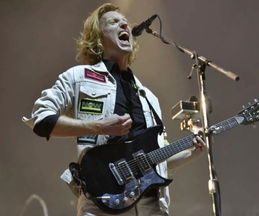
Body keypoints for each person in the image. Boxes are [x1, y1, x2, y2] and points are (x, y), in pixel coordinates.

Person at [22, 3, 206, 216]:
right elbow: (41, 120)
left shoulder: (149, 98)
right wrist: (98, 126)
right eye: (113, 22)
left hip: (151, 206)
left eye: (125, 23)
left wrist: (192, 153)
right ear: (98, 37)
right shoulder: (78, 77)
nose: (124, 25)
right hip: (101, 202)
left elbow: (158, 160)